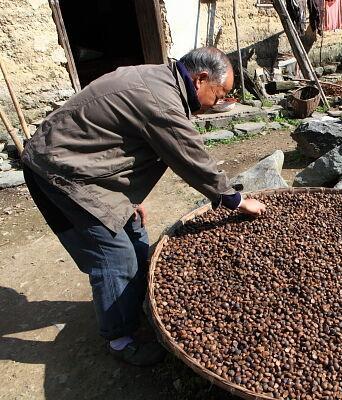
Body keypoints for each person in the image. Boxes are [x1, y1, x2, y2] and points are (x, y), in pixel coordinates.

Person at [21, 47, 266, 366]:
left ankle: (133, 304)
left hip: (83, 165)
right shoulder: (160, 99)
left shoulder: (161, 81)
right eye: (220, 95)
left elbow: (118, 145)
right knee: (115, 257)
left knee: (135, 234)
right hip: (62, 171)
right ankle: (119, 338)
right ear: (201, 79)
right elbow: (191, 158)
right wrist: (235, 199)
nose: (218, 102)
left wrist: (128, 200)